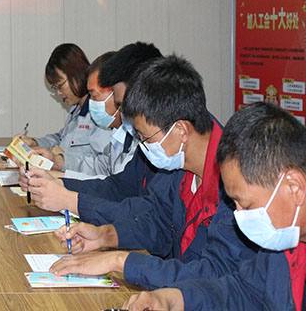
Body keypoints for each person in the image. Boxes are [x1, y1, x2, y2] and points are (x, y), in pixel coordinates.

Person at [47, 55, 249, 288]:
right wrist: (104, 235)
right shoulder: (180, 165)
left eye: (145, 138)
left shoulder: (236, 185)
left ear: (181, 130)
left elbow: (212, 275)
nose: (143, 147)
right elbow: (159, 222)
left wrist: (120, 261)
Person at [126, 102, 306, 311]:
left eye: (247, 206)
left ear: (294, 187)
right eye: (234, 204)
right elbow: (244, 290)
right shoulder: (284, 236)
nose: (239, 216)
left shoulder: (282, 231)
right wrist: (174, 298)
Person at [20, 41, 162, 217]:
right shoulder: (122, 133)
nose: (92, 103)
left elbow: (126, 197)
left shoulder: (151, 142)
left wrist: (66, 192)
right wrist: (58, 177)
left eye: (94, 96)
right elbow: (111, 180)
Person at [19, 43, 111, 175]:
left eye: (60, 85)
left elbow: (103, 166)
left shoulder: (100, 113)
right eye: (55, 88)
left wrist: (61, 160)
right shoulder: (76, 109)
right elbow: (61, 138)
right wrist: (35, 142)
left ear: (77, 74)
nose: (59, 93)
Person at [61, 52, 138, 180]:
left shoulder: (138, 141)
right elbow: (100, 167)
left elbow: (115, 186)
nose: (91, 102)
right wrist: (60, 167)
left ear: (117, 92)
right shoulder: (117, 135)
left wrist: (60, 180)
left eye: (95, 96)